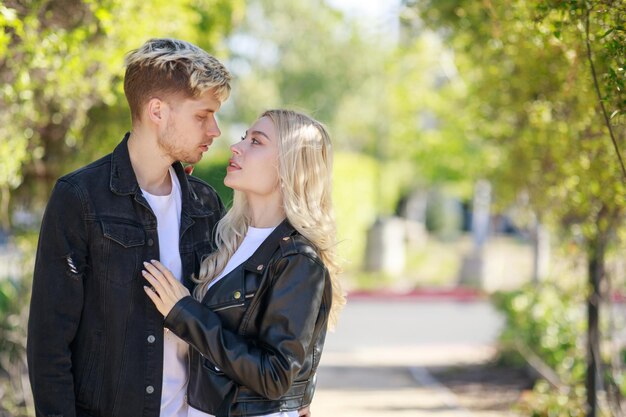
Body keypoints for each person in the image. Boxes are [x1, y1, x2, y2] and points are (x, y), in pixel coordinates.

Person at [27, 38, 231, 417]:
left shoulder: (206, 205)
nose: (215, 130)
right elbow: (49, 344)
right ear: (157, 111)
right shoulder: (80, 197)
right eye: (202, 115)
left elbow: (232, 325)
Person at [141, 109, 345, 417]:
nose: (237, 147)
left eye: (257, 142)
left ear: (289, 165)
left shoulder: (299, 260)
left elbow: (275, 376)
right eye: (243, 138)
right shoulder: (230, 241)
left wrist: (183, 313)